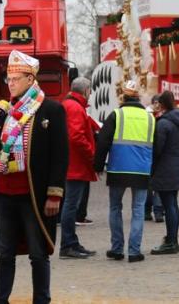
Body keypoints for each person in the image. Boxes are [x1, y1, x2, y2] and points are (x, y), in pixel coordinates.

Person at [0, 51, 68, 304]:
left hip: (34, 194)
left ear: (31, 79)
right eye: (8, 79)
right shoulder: (5, 111)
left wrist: (54, 193)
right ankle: (0, 300)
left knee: (38, 254)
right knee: (3, 253)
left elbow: (60, 155)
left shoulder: (51, 109)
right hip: (5, 195)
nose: (10, 83)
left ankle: (41, 300)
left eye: (16, 78)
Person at [94, 80, 155, 263]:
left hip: (118, 168)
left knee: (115, 207)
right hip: (142, 170)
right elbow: (157, 146)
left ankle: (117, 248)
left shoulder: (116, 115)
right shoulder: (150, 118)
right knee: (138, 210)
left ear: (124, 97)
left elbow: (103, 142)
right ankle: (134, 252)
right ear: (138, 97)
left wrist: (98, 166)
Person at [59, 77, 98, 259]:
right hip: (76, 165)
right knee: (71, 206)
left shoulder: (70, 105)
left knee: (71, 205)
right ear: (86, 90)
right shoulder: (75, 108)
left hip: (72, 163)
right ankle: (67, 244)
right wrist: (92, 154)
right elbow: (76, 136)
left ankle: (71, 242)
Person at [150, 91, 179, 255]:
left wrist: (151, 166)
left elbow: (157, 148)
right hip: (176, 164)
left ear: (162, 104)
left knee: (168, 204)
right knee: (172, 204)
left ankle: (171, 241)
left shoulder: (163, 124)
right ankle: (172, 239)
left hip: (164, 167)